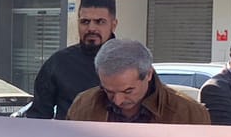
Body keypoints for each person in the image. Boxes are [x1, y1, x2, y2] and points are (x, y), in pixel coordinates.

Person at [67, 39, 209, 124]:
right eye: (109, 91)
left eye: (128, 91)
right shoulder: (83, 105)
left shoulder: (189, 114)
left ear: (148, 74)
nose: (118, 100)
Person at [26, 0, 117, 119]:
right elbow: (38, 116)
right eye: (85, 21)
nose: (91, 28)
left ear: (113, 25)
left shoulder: (131, 63)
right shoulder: (58, 63)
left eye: (100, 22)